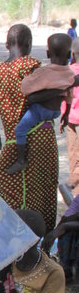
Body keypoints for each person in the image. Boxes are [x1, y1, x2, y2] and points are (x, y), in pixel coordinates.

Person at [0, 23, 58, 230]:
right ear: (29, 44)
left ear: (7, 45)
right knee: (42, 191)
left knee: (7, 195)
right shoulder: (32, 66)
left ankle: (15, 244)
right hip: (42, 137)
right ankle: (40, 244)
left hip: (15, 141)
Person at [8, 33, 75, 175]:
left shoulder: (43, 72)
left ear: (48, 53)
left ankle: (21, 160)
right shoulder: (69, 74)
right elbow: (70, 96)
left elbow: (25, 89)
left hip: (40, 111)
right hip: (55, 112)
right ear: (69, 54)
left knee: (20, 130)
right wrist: (66, 114)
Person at [63, 37, 79, 195]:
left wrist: (64, 115)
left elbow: (64, 96)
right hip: (72, 119)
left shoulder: (68, 71)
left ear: (72, 55)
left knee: (74, 155)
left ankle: (73, 187)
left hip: (71, 120)